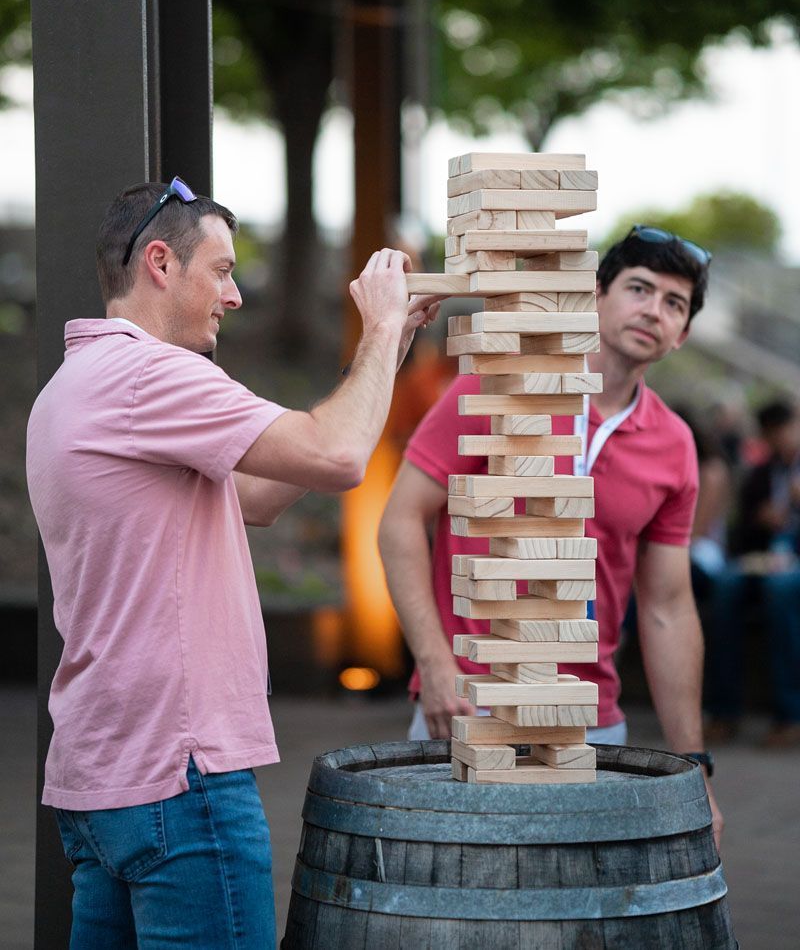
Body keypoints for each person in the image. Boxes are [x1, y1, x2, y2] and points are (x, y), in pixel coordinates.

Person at [26, 176, 439, 949]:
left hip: (103, 779)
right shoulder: (151, 375)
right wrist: (379, 331)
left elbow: (260, 495)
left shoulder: (75, 386)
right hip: (179, 775)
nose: (236, 294)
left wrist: (391, 349)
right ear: (160, 262)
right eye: (221, 270)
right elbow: (339, 454)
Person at [379, 223, 723, 846]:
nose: (653, 310)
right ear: (596, 294)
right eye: (639, 288)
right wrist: (433, 663)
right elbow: (401, 518)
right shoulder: (500, 382)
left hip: (591, 717)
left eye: (674, 304)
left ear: (684, 335)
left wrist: (694, 764)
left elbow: (669, 608)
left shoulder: (674, 445)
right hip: (472, 701)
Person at [706, 398, 800, 746]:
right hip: (763, 559)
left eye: (785, 430)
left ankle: (790, 714)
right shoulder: (762, 473)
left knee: (781, 591)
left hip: (791, 568)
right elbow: (741, 532)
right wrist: (762, 521)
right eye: (772, 433)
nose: (781, 440)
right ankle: (723, 710)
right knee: (725, 585)